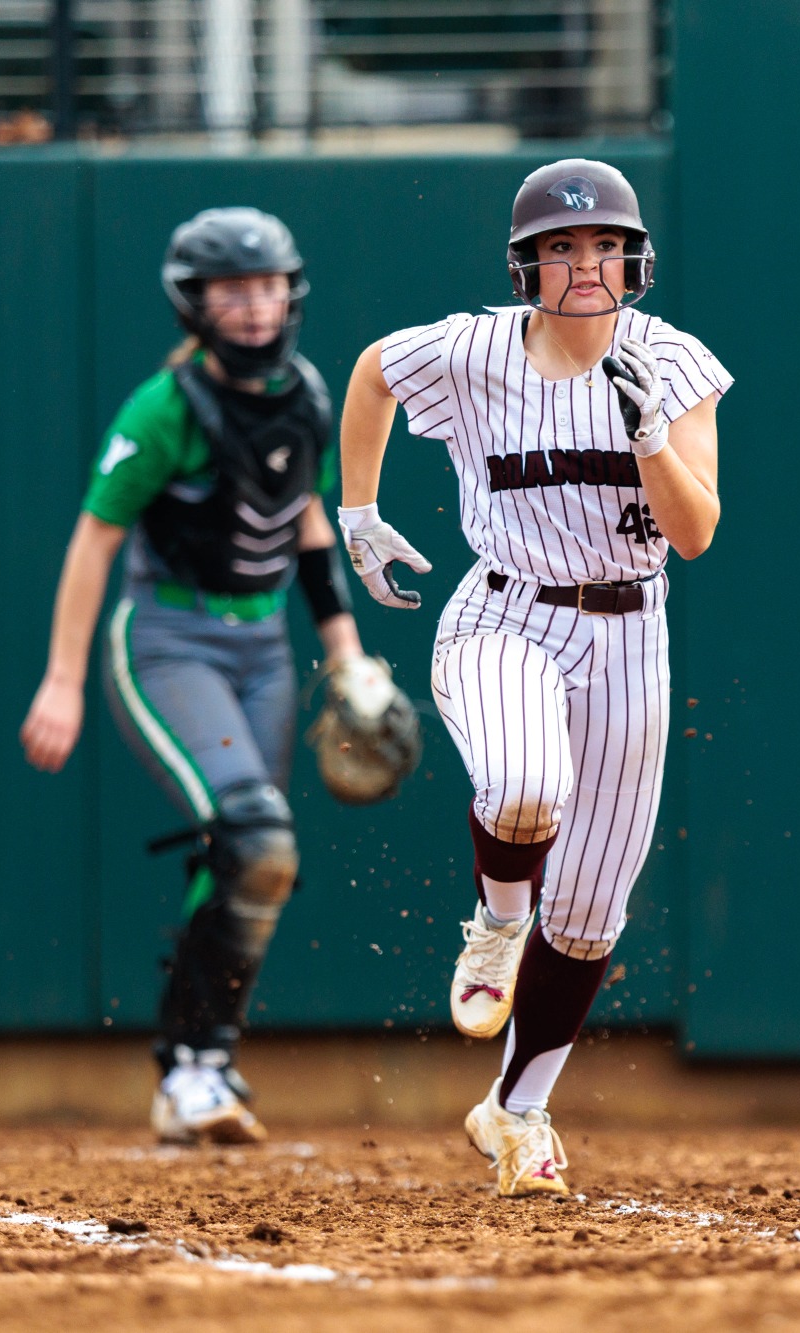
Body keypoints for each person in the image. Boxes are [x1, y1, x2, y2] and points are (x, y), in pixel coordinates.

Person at [334, 158, 732, 1196]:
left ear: (633, 257)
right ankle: (495, 922)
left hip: (628, 632)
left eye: (602, 243)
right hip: (505, 611)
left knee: (593, 913)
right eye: (560, 247)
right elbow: (373, 368)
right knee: (521, 788)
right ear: (527, 267)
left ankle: (515, 1112)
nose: (584, 264)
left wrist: (647, 436)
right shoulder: (473, 350)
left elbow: (694, 535)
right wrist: (359, 509)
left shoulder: (673, 362)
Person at [20, 207, 378, 1144]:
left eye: (268, 287)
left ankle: (202, 1063)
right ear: (196, 302)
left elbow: (305, 525)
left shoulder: (306, 394)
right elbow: (94, 539)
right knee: (254, 831)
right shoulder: (165, 407)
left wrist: (344, 652)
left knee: (253, 852)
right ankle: (188, 1068)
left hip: (262, 649)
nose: (255, 308)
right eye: (233, 291)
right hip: (170, 640)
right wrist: (62, 679)